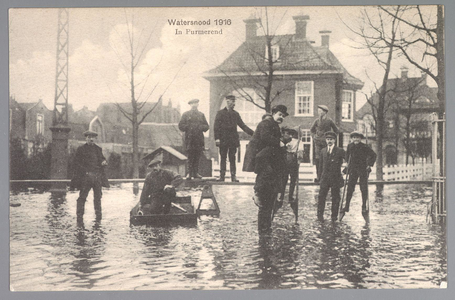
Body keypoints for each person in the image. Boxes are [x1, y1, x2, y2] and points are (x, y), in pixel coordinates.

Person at [251, 105, 288, 234]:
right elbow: (265, 137)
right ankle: (263, 229)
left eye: (283, 116)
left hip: (272, 167)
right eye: (279, 114)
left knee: (270, 202)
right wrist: (279, 142)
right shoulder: (266, 124)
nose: (281, 117)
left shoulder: (274, 126)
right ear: (273, 113)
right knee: (265, 202)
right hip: (266, 166)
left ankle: (266, 228)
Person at [71, 130, 109, 221]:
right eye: (89, 137)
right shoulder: (81, 149)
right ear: (86, 138)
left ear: (95, 138)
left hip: (97, 177)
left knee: (98, 198)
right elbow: (76, 163)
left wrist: (103, 162)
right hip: (86, 177)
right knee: (82, 197)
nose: (91, 139)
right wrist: (85, 172)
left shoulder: (98, 149)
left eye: (93, 137)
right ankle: (79, 217)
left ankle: (98, 217)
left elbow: (102, 159)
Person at [214, 95, 254, 182]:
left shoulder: (235, 114)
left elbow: (243, 126)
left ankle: (233, 176)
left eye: (234, 101)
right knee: (223, 158)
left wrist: (253, 133)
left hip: (232, 140)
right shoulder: (220, 113)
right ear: (228, 102)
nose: (234, 103)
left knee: (232, 158)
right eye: (232, 101)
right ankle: (222, 176)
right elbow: (216, 127)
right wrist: (217, 138)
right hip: (223, 140)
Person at [340, 131, 377, 216]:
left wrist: (369, 165)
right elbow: (347, 157)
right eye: (354, 137)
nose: (356, 139)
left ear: (360, 138)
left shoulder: (365, 147)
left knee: (363, 188)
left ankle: (364, 206)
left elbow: (373, 155)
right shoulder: (350, 146)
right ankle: (347, 206)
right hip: (353, 170)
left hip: (362, 169)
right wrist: (346, 167)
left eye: (358, 137)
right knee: (350, 188)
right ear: (352, 139)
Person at [317, 131, 345, 222]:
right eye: (328, 139)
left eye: (331, 139)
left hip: (335, 178)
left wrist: (344, 171)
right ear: (326, 140)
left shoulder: (340, 151)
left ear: (334, 140)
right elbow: (320, 165)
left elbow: (349, 160)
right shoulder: (323, 151)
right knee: (321, 197)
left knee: (336, 198)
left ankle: (334, 217)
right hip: (324, 178)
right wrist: (319, 177)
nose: (329, 141)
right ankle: (320, 216)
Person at [178, 98, 209, 180]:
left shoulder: (201, 115)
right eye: (192, 104)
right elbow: (180, 126)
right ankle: (189, 173)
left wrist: (200, 127)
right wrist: (188, 127)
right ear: (190, 105)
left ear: (198, 105)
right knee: (190, 156)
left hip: (198, 139)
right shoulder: (186, 114)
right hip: (189, 139)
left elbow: (206, 126)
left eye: (195, 103)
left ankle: (195, 173)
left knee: (197, 156)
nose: (194, 105)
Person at [310, 105, 339, 181]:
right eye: (318, 111)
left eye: (321, 111)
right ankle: (318, 177)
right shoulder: (316, 121)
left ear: (325, 112)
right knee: (318, 159)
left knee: (326, 159)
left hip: (326, 143)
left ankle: (326, 177)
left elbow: (336, 130)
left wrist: (332, 138)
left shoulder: (329, 121)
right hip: (318, 143)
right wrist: (314, 136)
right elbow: (311, 130)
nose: (319, 113)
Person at [279, 127, 300, 205]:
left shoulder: (291, 142)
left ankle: (283, 196)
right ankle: (289, 196)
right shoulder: (297, 142)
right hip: (291, 161)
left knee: (286, 179)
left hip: (289, 161)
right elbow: (300, 154)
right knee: (291, 180)